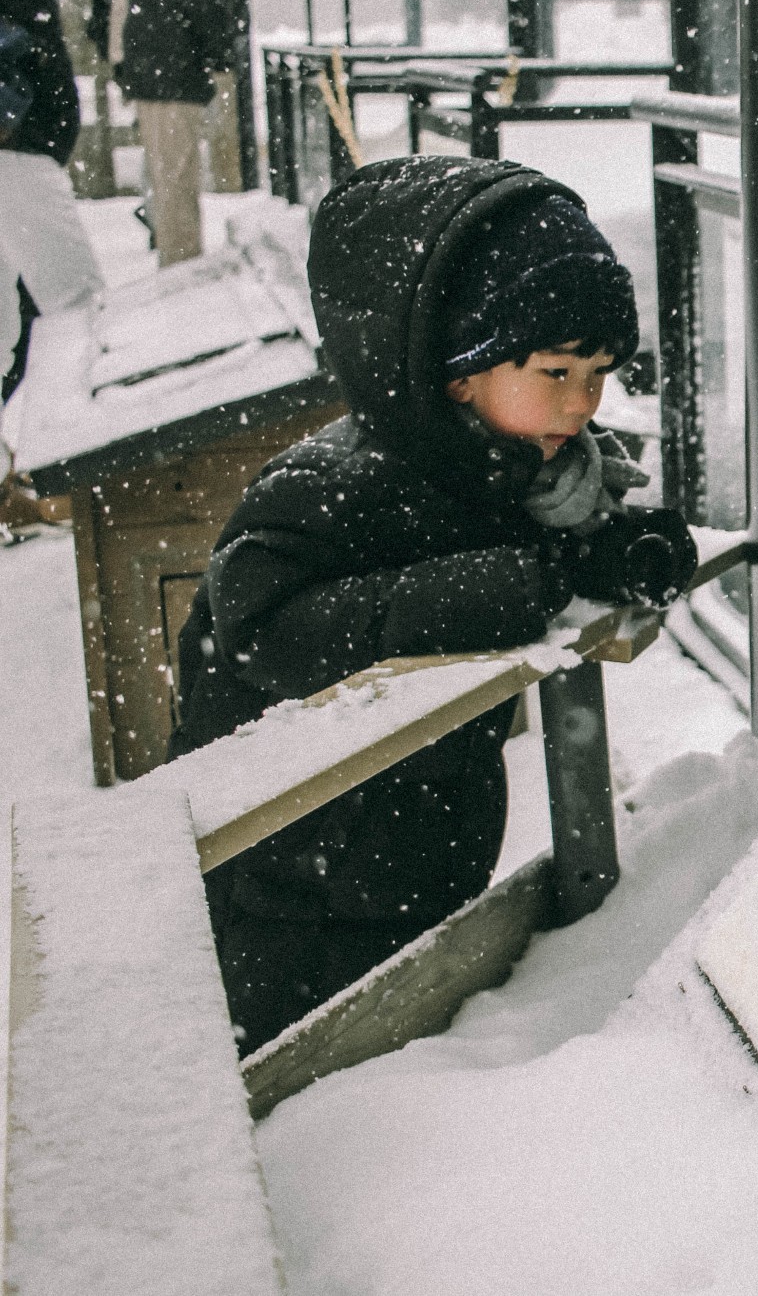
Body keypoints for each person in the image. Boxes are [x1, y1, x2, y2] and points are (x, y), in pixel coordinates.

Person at [169, 156, 698, 1053]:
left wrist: (615, 552)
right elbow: (263, 627)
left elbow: (540, 556)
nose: (584, 402)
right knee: (296, 1074)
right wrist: (493, 589)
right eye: (559, 372)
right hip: (291, 871)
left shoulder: (508, 461)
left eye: (600, 373)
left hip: (411, 849)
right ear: (461, 372)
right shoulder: (332, 487)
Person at [0, 0, 102, 402]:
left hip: (20, 145)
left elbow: (18, 16)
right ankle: (78, 455)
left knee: (5, 325)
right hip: (18, 151)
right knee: (78, 310)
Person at [111, 0, 250, 266]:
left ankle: (179, 258)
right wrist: (223, 56)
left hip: (159, 71)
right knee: (178, 177)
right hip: (172, 73)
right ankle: (182, 266)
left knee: (170, 175)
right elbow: (207, 5)